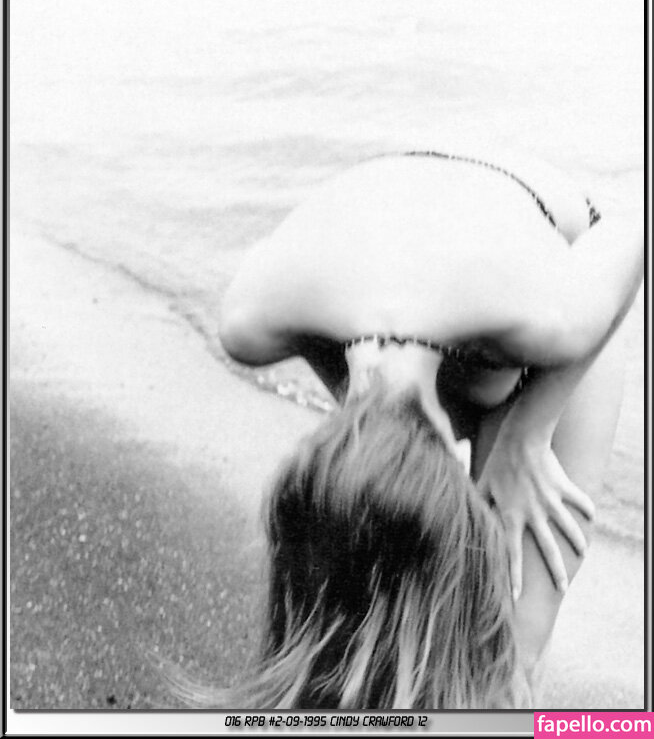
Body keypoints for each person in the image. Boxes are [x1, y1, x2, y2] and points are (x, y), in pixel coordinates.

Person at [214, 152, 643, 709]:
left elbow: (632, 228)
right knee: (352, 633)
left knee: (512, 651)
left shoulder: (546, 316)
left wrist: (528, 432)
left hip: (544, 294)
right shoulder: (250, 322)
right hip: (411, 230)